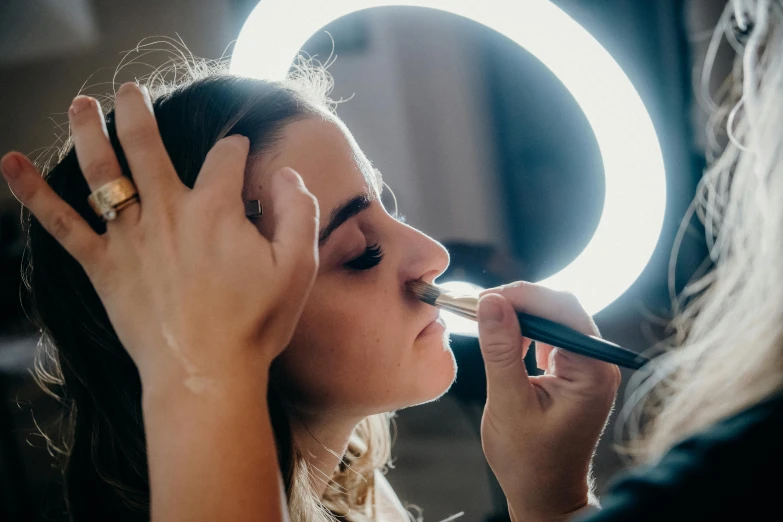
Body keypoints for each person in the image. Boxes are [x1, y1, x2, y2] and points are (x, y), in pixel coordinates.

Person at [0, 53, 618, 522]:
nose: (433, 254)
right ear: (193, 323)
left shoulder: (356, 496)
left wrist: (549, 493)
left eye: (386, 204)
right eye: (360, 253)